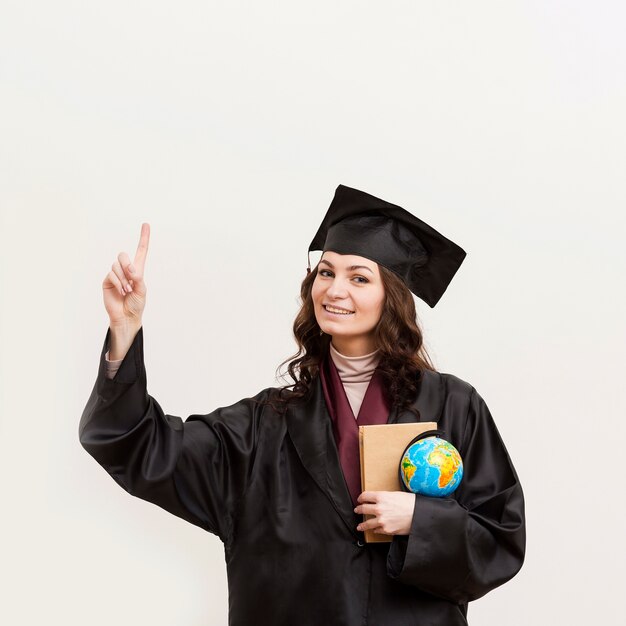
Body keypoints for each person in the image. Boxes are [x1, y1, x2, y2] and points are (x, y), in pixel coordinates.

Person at [79, 184, 526, 626]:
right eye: (326, 273)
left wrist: (420, 520)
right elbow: (137, 445)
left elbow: (501, 539)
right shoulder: (261, 428)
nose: (334, 290)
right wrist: (125, 330)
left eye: (359, 278)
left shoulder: (453, 406)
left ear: (392, 296)